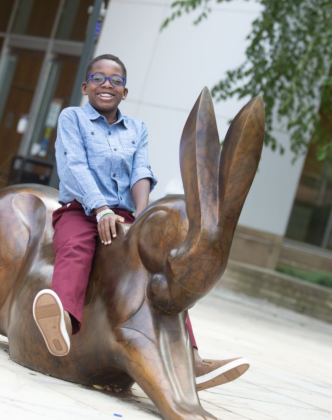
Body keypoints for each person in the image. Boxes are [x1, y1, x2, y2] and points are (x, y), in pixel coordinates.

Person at [32, 54, 249, 391]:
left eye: (115, 80)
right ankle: (61, 319)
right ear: (85, 86)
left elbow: (141, 172)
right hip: (83, 210)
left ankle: (190, 357)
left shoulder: (137, 129)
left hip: (125, 216)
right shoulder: (71, 118)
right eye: (99, 78)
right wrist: (101, 208)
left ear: (125, 91)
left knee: (164, 267)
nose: (107, 84)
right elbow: (74, 165)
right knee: (77, 247)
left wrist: (142, 217)